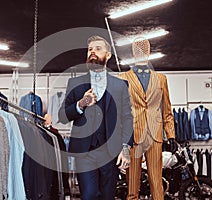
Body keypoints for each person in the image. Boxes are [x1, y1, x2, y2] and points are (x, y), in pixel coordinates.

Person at [58, 35, 133, 200]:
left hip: (111, 151)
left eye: (98, 49)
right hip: (85, 152)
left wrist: (125, 148)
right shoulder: (75, 83)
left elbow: (127, 118)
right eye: (90, 49)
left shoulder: (120, 85)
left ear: (108, 55)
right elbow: (62, 116)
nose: (92, 52)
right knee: (89, 195)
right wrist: (82, 103)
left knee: (107, 196)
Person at [118, 37, 176, 200]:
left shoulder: (161, 79)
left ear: (149, 52)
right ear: (133, 52)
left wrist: (171, 135)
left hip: (154, 134)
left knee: (156, 182)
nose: (141, 52)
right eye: (138, 49)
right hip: (132, 135)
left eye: (144, 48)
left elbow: (167, 110)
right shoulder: (123, 77)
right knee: (132, 184)